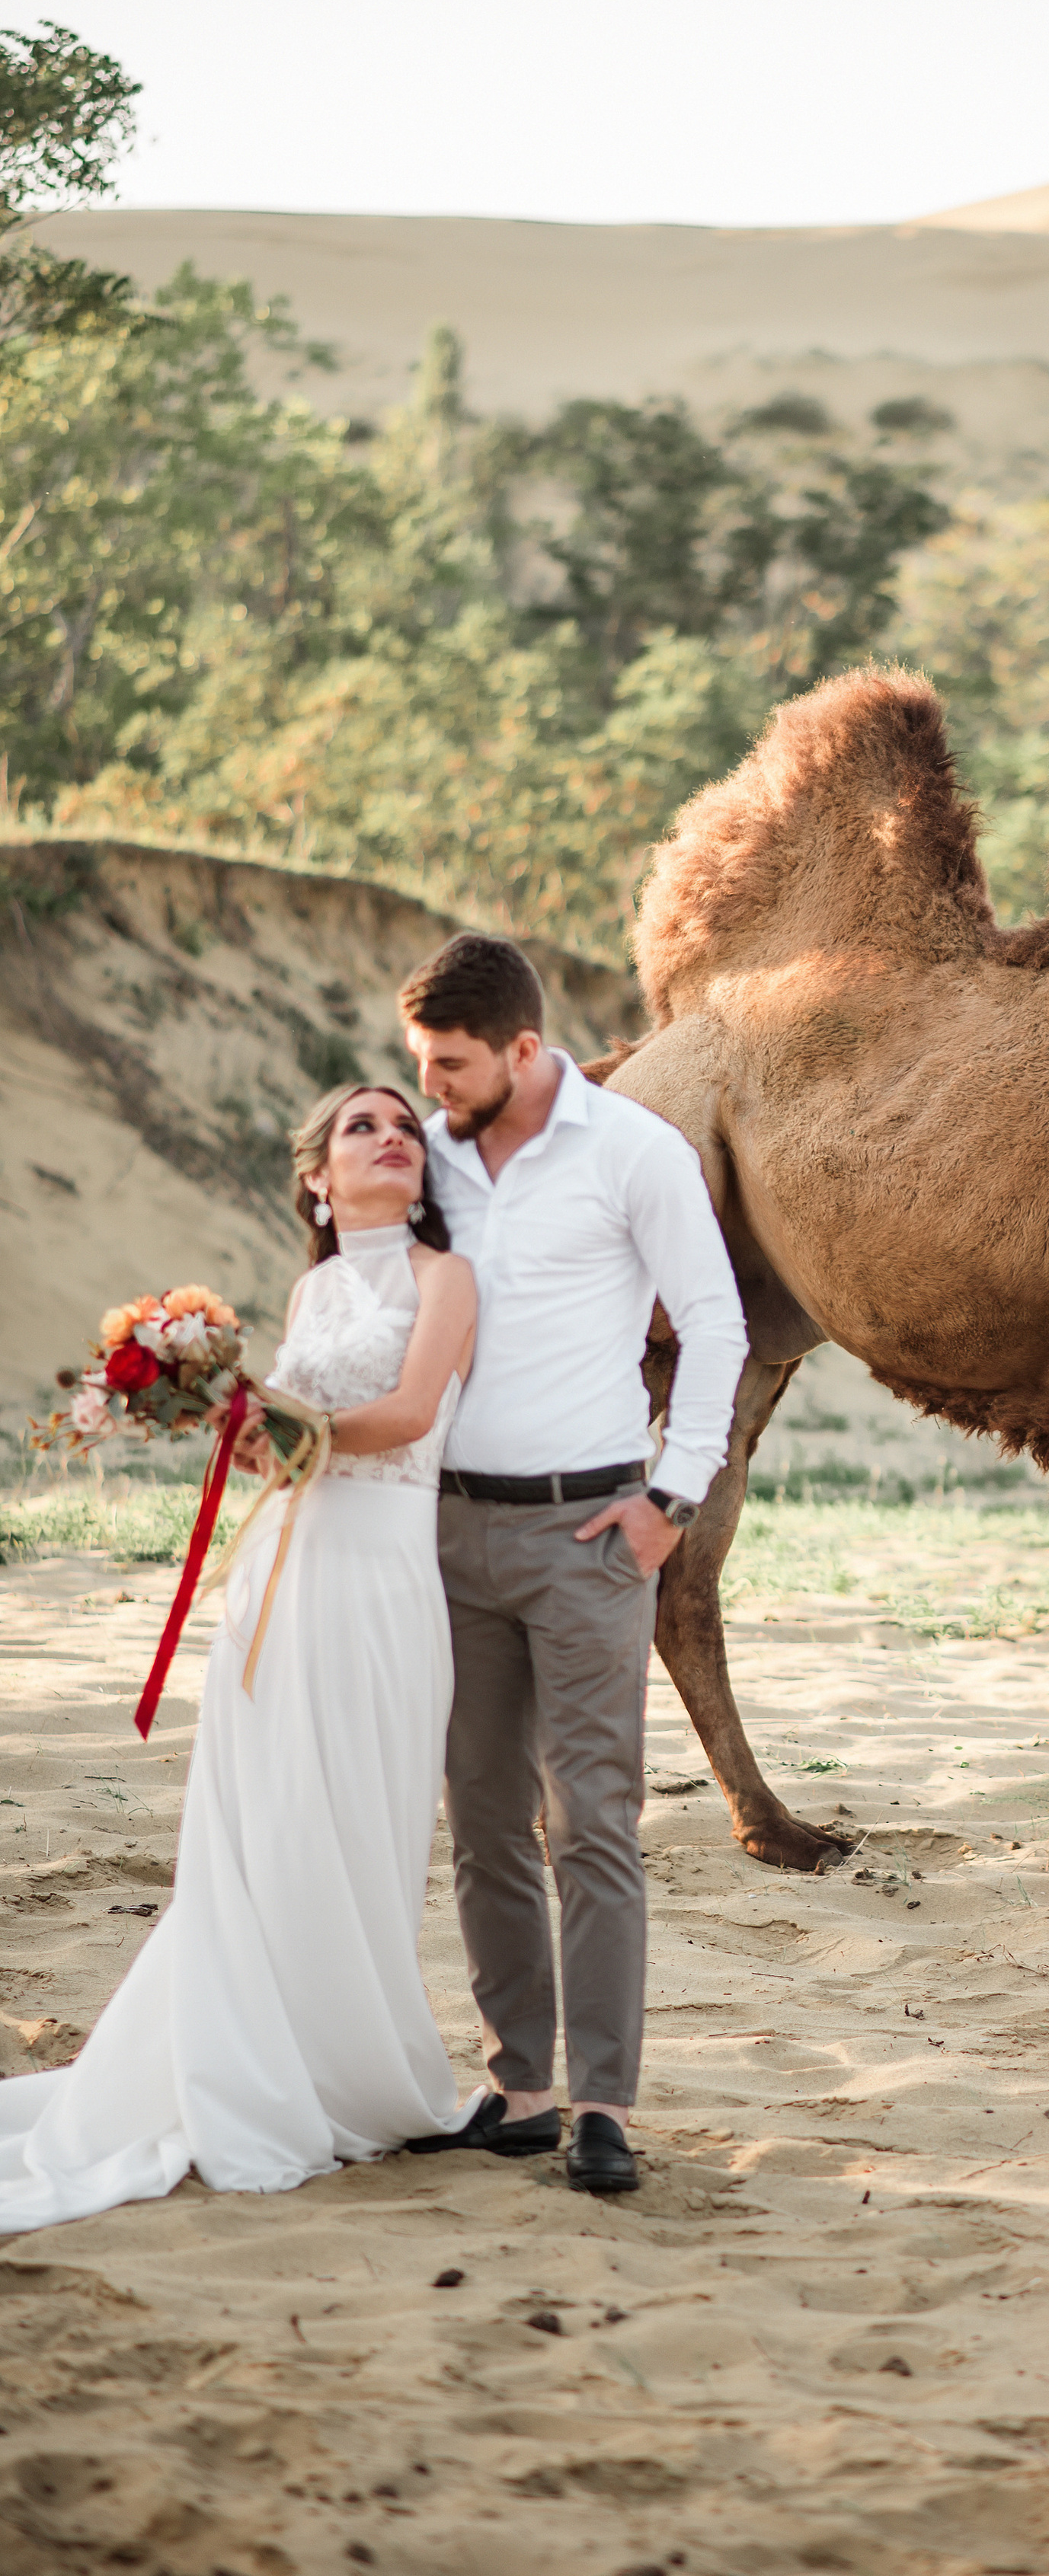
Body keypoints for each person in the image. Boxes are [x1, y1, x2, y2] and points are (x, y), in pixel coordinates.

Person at [0, 1085, 483, 2232]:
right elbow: (290, 1439)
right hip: (284, 1565)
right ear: (318, 1176)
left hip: (378, 1575)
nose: (393, 1138)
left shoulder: (442, 1278)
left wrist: (276, 1414)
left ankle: (343, 2061)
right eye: (364, 1126)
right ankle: (252, 2052)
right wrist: (233, 1417)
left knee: (357, 1816)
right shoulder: (316, 1287)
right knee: (262, 1819)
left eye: (407, 1126)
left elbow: (413, 1411)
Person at [397, 934, 747, 2198]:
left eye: (453, 1064)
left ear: (524, 1050)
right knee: (483, 1819)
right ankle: (524, 2088)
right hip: (449, 1532)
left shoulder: (634, 1151)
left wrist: (673, 1498)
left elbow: (716, 1323)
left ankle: (603, 2103)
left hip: (593, 1533)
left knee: (591, 1818)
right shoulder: (425, 1157)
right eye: (423, 1064)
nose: (433, 1088)